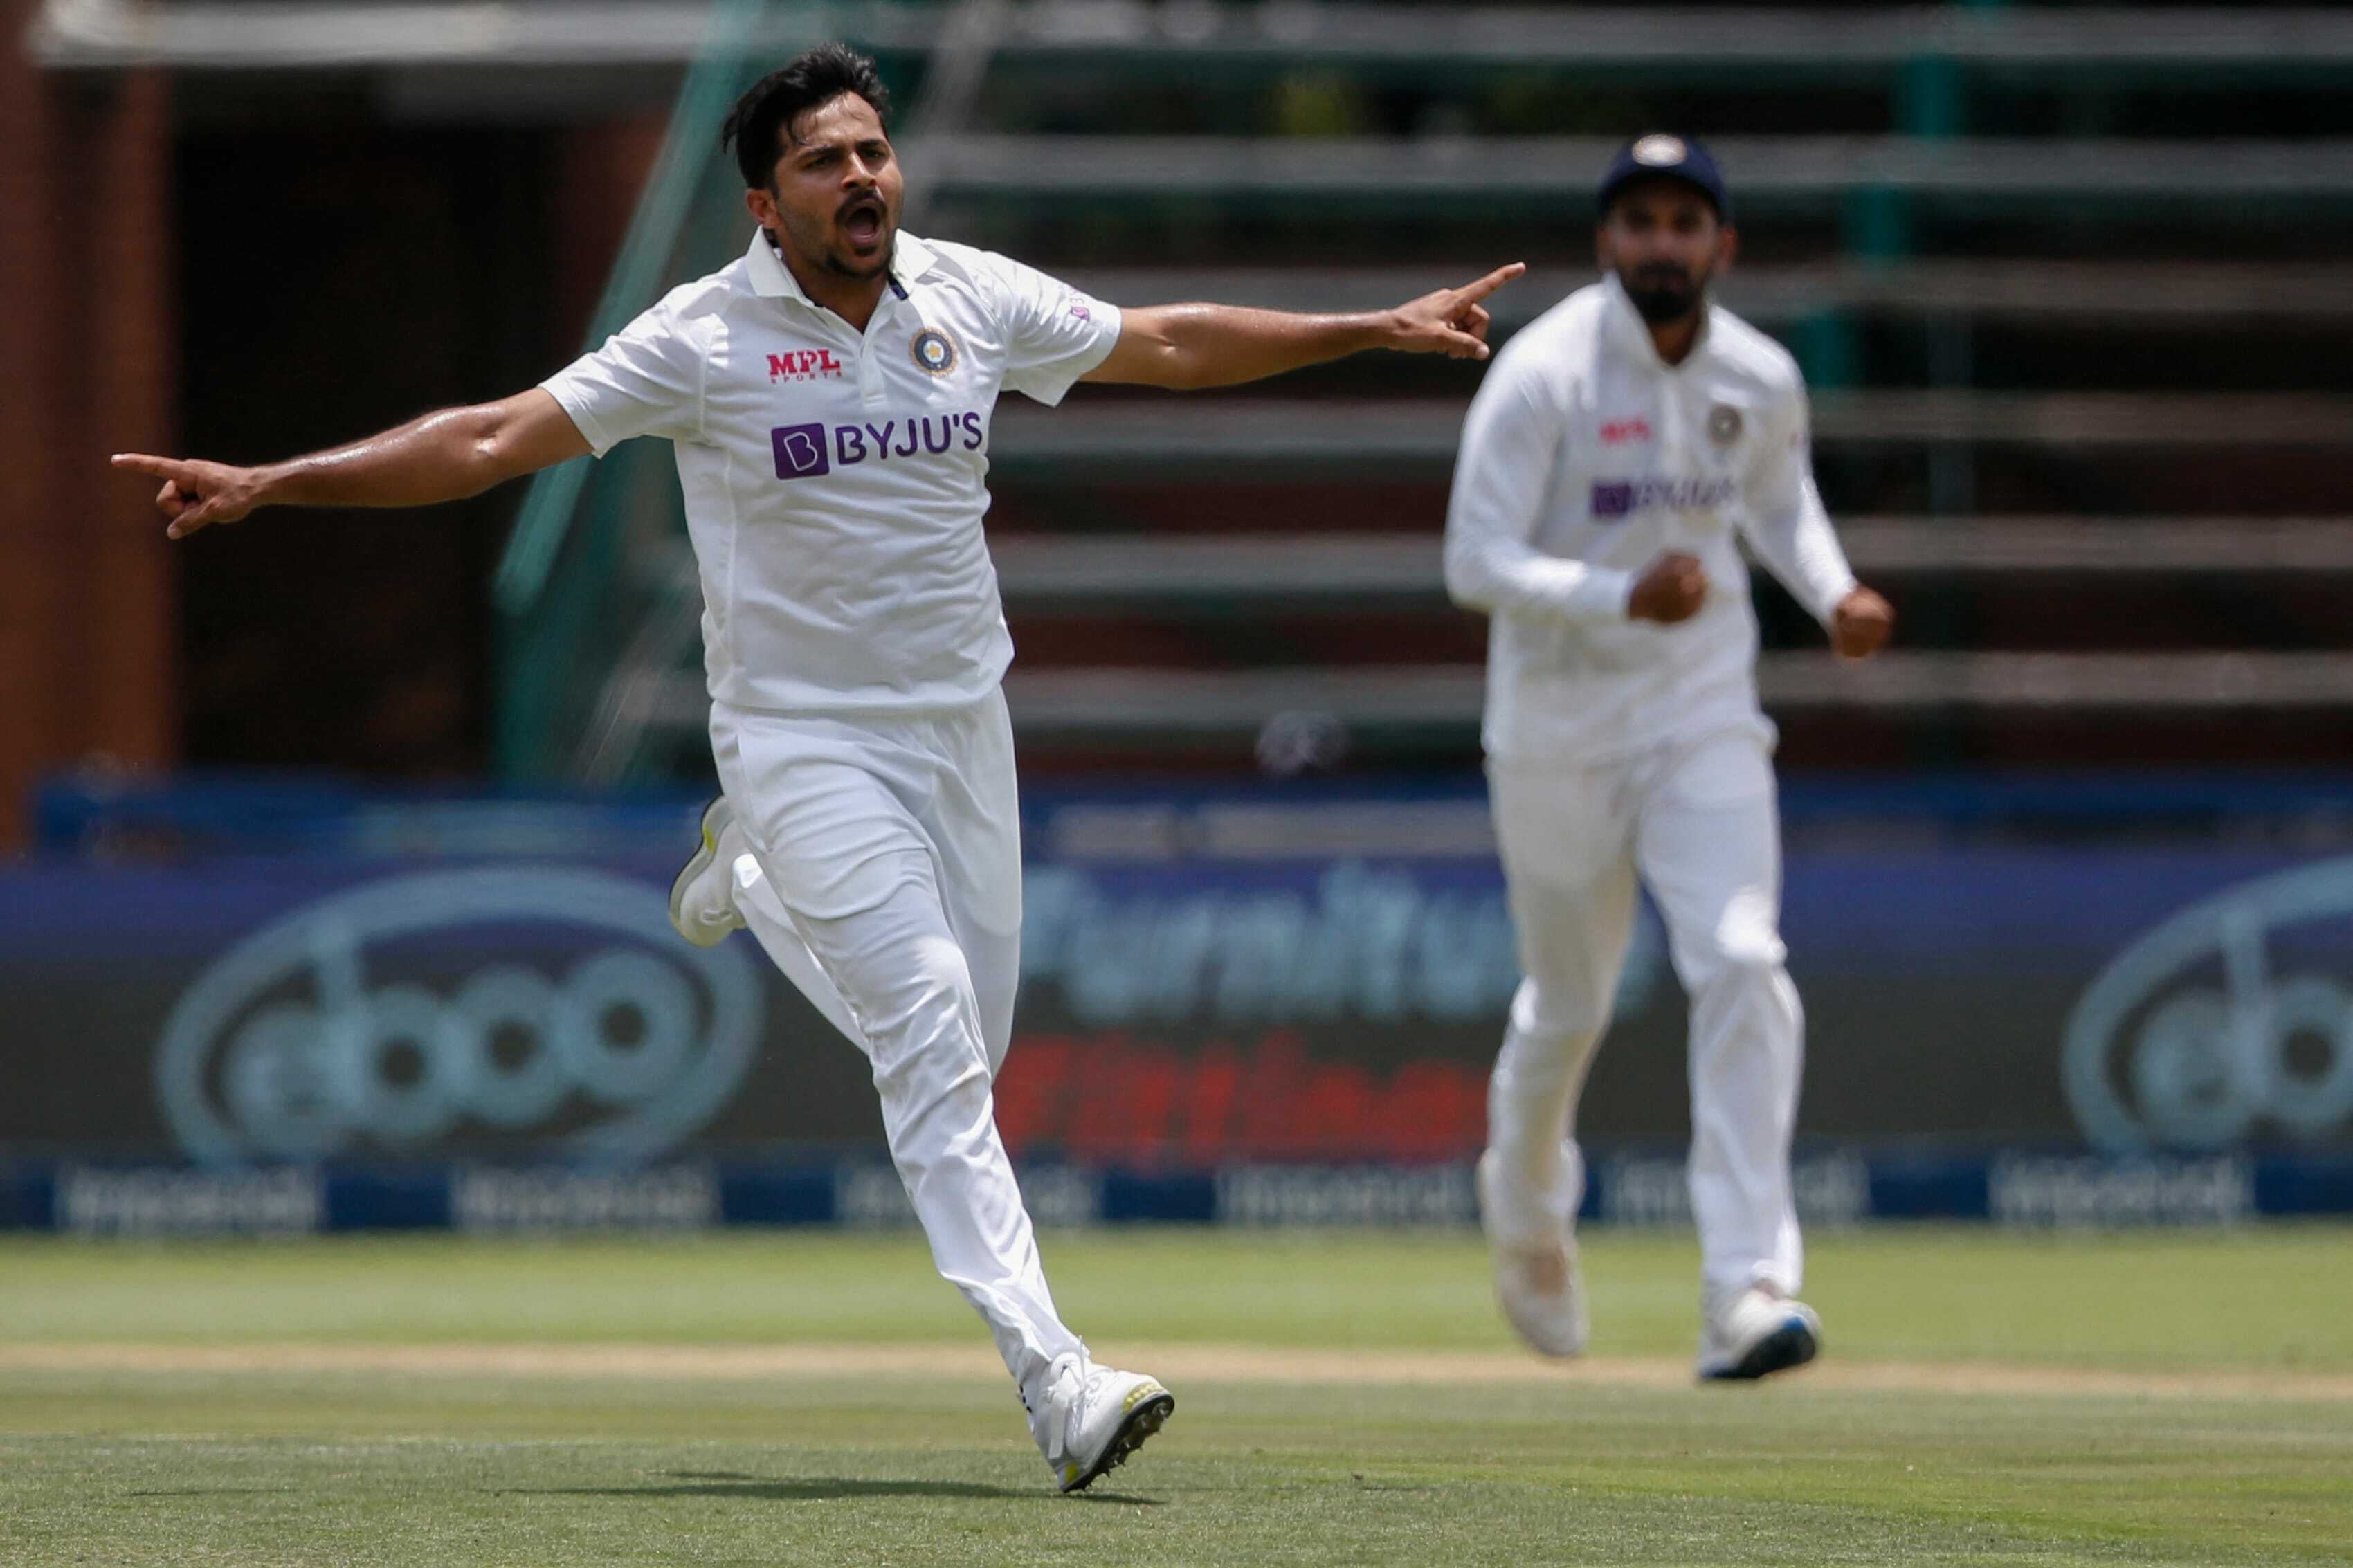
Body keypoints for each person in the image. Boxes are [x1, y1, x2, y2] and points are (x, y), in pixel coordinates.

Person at [113, 43, 1523, 1489]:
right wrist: (279, 480)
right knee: (927, 1037)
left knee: (969, 1042)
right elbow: (488, 438)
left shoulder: (965, 295)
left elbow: (1162, 343)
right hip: (802, 737)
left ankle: (748, 884)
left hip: (963, 729)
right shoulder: (701, 336)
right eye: (822, 163)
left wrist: (1375, 324)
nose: (861, 179)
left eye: (871, 153)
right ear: (761, 207)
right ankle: (1057, 1376)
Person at [1442, 134, 1894, 1380]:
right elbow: (1472, 563)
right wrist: (1616, 597)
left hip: (1703, 718)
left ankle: (1745, 1288)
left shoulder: (1760, 375)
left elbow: (1780, 505)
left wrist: (1836, 591)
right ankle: (1529, 1212)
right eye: (1637, 221)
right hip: (1556, 733)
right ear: (1608, 242)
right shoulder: (1544, 377)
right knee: (1569, 1008)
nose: (1660, 242)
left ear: (1721, 246)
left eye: (1682, 222)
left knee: (1745, 958)